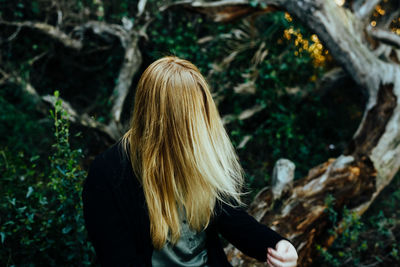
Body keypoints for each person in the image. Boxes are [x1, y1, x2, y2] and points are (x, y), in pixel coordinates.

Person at [82, 56, 298, 267]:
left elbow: (235, 222)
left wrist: (278, 245)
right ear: (166, 121)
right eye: (193, 117)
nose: (202, 125)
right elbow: (118, 258)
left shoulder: (200, 157)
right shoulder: (108, 174)